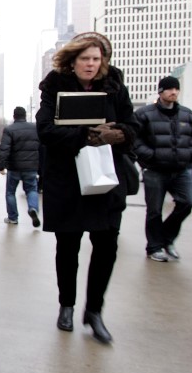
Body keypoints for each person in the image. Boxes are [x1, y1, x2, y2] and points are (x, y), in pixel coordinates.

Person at [35, 31, 137, 344]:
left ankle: (94, 311)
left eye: (96, 59)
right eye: (85, 59)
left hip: (106, 178)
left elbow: (132, 128)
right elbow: (45, 130)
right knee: (68, 247)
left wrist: (115, 134)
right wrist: (85, 136)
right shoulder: (54, 86)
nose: (91, 65)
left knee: (107, 246)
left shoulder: (115, 86)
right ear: (73, 60)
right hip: (67, 179)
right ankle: (66, 305)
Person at [133, 76, 192, 262]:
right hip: (155, 170)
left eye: (176, 89)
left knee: (187, 203)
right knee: (154, 211)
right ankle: (154, 247)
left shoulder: (186, 114)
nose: (173, 92)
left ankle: (166, 239)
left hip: (181, 170)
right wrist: (149, 155)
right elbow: (134, 139)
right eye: (169, 89)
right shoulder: (144, 114)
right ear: (160, 91)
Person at [0, 106, 41, 226]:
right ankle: (33, 208)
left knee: (10, 192)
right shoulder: (34, 128)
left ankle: (13, 217)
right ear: (25, 115)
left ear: (14, 116)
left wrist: (1, 166)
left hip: (14, 167)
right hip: (31, 166)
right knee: (32, 189)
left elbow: (4, 149)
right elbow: (41, 147)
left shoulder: (9, 129)